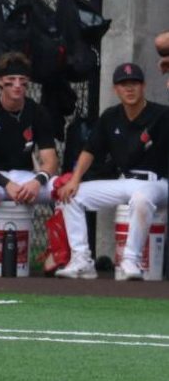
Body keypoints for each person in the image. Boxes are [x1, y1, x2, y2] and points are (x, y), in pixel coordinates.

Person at [54, 62, 169, 281]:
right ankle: (82, 260)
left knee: (142, 197)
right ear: (115, 89)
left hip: (158, 184)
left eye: (134, 83)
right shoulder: (110, 116)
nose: (129, 88)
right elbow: (90, 151)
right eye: (124, 84)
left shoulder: (161, 115)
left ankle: (131, 260)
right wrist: (75, 179)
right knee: (71, 196)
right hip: (125, 181)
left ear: (143, 86)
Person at [0, 53, 66, 276]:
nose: (17, 85)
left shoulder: (38, 112)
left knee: (65, 186)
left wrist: (38, 182)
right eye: (11, 80)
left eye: (22, 80)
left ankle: (57, 255)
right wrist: (5, 183)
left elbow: (50, 159)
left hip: (26, 178)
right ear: (0, 82)